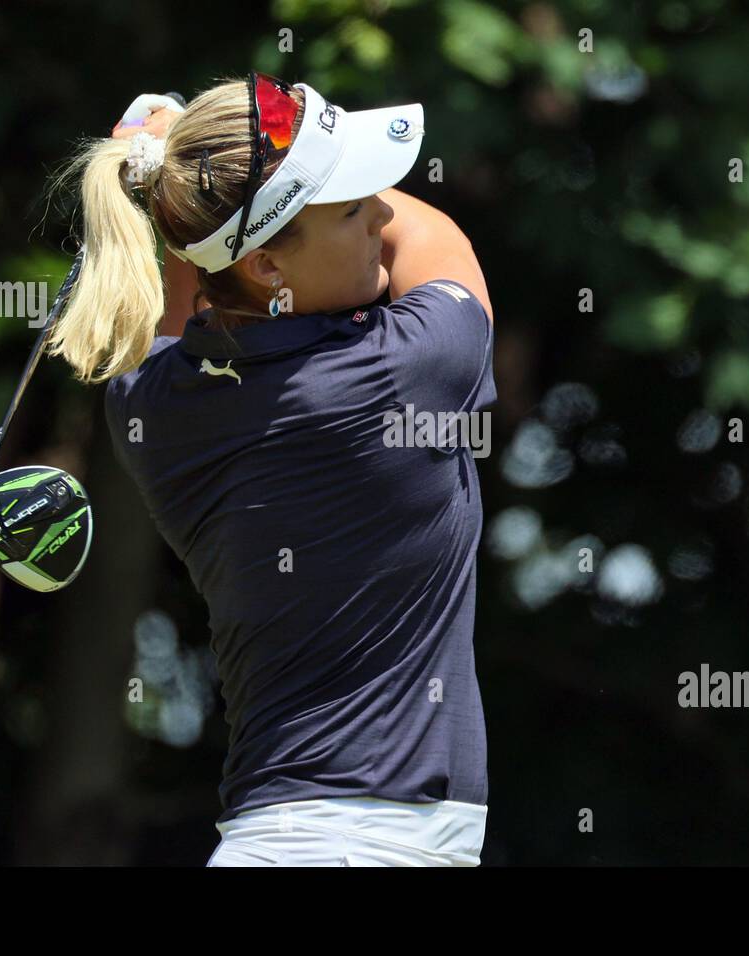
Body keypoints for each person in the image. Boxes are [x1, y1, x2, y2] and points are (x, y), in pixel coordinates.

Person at [47, 72, 496, 866]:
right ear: (267, 269)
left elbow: (190, 298)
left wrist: (180, 178)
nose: (383, 214)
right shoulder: (412, 367)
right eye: (356, 208)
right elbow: (438, 243)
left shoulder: (150, 406)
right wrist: (176, 163)